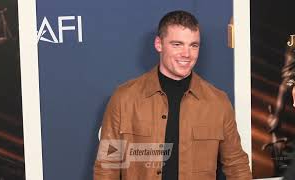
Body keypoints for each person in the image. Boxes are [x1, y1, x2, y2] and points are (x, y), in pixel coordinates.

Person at [94, 10, 252, 180]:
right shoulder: (124, 98)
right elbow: (107, 166)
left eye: (193, 45)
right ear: (159, 44)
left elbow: (236, 166)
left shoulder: (218, 102)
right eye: (177, 44)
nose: (187, 54)